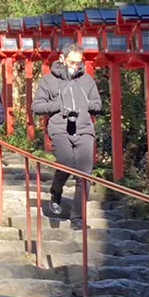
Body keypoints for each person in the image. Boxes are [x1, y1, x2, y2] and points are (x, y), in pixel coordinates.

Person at [33, 45, 103, 224]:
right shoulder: (48, 81)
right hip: (60, 128)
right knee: (66, 163)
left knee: (85, 174)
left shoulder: (86, 80)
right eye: (71, 62)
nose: (75, 66)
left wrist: (86, 105)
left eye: (78, 63)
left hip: (84, 128)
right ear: (62, 59)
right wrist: (57, 105)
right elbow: (37, 107)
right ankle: (56, 191)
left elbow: (97, 104)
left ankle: (78, 217)